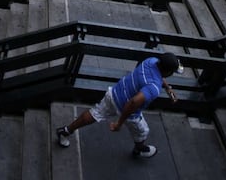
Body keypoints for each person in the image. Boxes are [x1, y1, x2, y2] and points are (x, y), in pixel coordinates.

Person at [56, 52, 184, 159]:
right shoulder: (153, 88)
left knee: (94, 113)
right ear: (167, 71)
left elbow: (156, 75)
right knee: (143, 131)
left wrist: (167, 88)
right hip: (128, 110)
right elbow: (133, 103)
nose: (172, 74)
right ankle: (139, 149)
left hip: (114, 93)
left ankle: (66, 131)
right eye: (173, 72)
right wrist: (119, 123)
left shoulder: (151, 61)